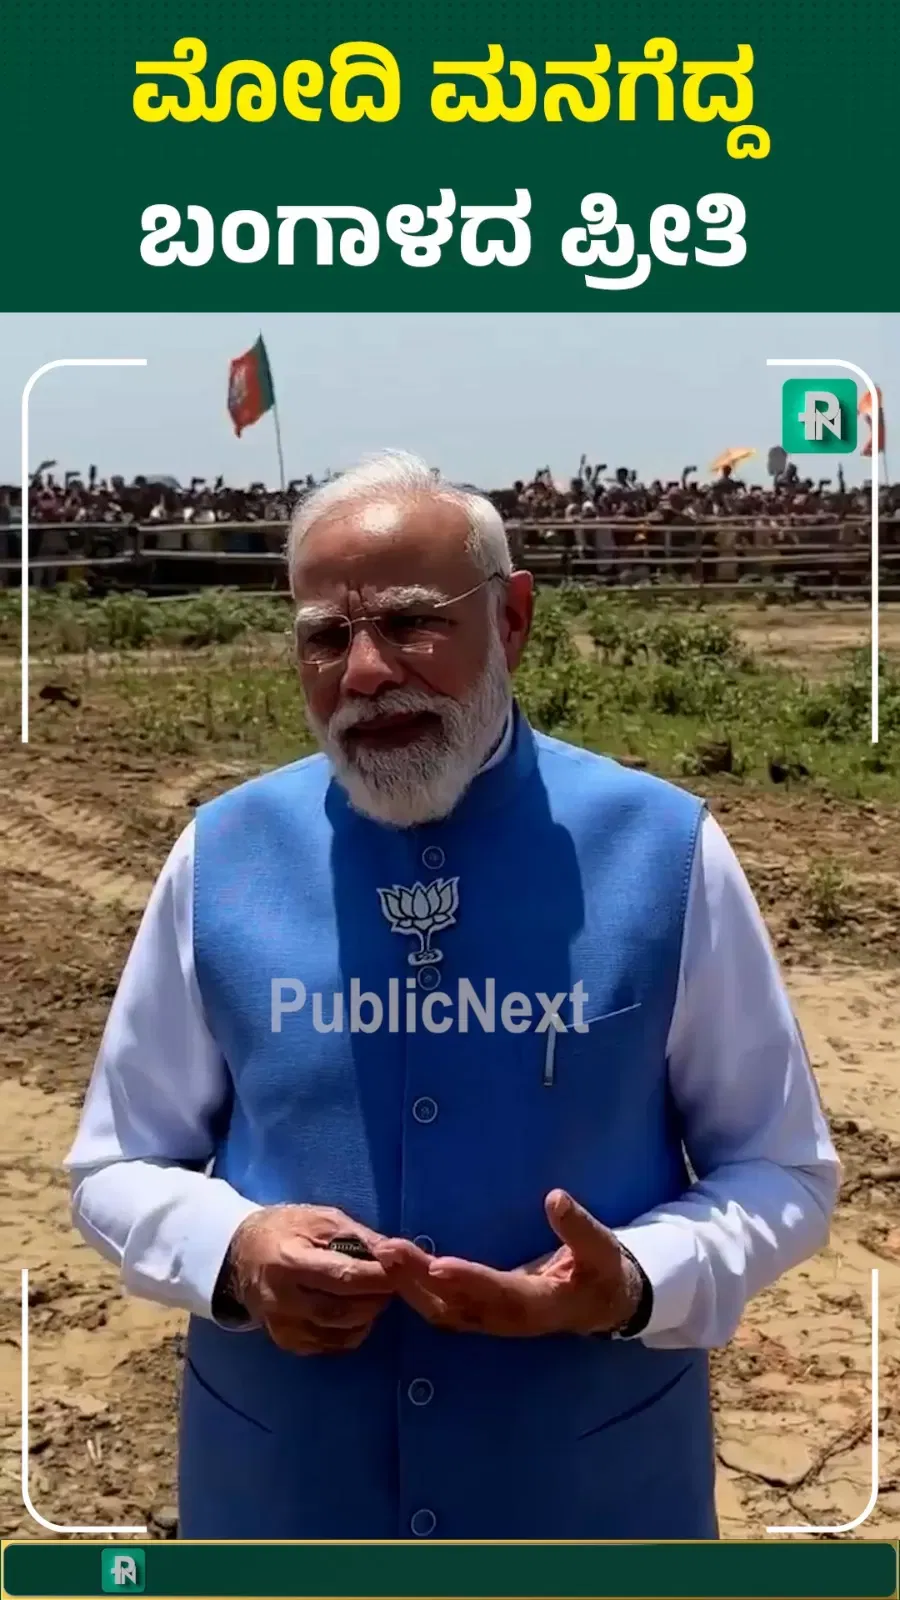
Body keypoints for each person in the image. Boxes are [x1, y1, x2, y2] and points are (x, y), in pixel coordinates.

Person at [66, 450, 840, 1542]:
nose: (366, 672)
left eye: (410, 623)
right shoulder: (222, 856)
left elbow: (783, 1169)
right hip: (284, 1503)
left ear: (511, 620)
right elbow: (113, 1164)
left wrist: (634, 1281)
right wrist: (236, 1249)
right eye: (326, 637)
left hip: (590, 1502)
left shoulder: (663, 852)